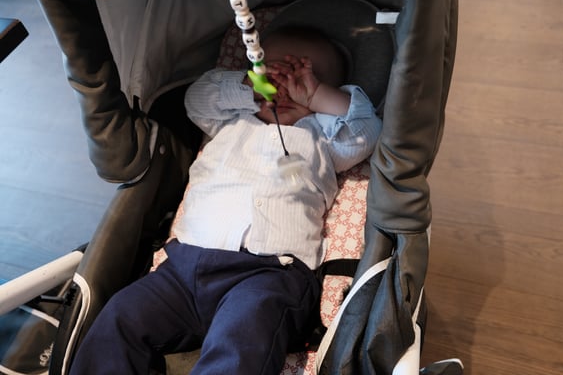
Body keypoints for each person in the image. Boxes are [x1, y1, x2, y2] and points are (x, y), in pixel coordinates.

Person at [69, 27, 382, 375]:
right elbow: (196, 97)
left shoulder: (324, 137)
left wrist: (316, 95)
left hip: (268, 274)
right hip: (182, 269)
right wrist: (248, 86)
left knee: (243, 337)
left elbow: (366, 130)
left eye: (302, 77)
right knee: (121, 318)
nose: (283, 86)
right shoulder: (228, 120)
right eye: (270, 72)